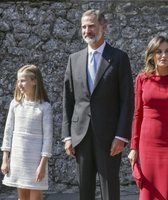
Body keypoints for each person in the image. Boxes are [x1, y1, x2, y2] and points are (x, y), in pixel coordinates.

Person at [62, 9, 134, 200]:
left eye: (91, 26)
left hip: (110, 137)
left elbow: (127, 100)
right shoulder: (73, 60)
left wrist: (121, 136)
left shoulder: (119, 58)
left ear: (104, 27)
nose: (87, 30)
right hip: (81, 136)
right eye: (83, 27)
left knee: (110, 190)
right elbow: (68, 100)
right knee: (84, 191)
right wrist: (67, 136)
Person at [1, 64, 53, 200]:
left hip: (36, 161)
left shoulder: (44, 107)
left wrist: (42, 165)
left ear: (34, 81)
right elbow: (8, 131)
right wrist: (5, 159)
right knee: (22, 198)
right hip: (18, 158)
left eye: (23, 80)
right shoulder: (15, 104)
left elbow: (48, 138)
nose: (20, 84)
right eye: (18, 81)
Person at [128, 35, 168, 200]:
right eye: (159, 51)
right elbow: (137, 114)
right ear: (152, 55)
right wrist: (133, 147)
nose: (164, 55)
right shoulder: (142, 78)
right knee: (149, 191)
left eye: (167, 51)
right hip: (148, 144)